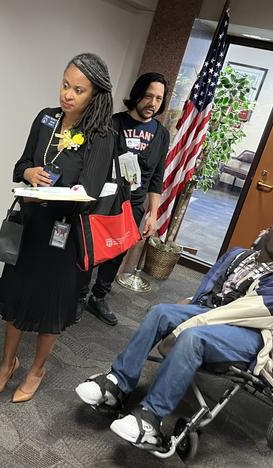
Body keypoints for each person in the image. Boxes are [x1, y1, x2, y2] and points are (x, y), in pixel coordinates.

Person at [76, 215, 273, 446]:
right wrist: (189, 304)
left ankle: (150, 418)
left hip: (248, 333)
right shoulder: (239, 256)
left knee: (192, 337)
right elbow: (211, 291)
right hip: (212, 313)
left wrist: (186, 324)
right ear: (269, 229)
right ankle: (117, 383)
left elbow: (235, 314)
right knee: (161, 312)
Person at [0, 53, 116, 403]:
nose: (67, 95)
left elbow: (89, 193)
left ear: (95, 95)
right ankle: (6, 364)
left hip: (65, 234)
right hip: (30, 226)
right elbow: (21, 164)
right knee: (15, 296)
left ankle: (36, 370)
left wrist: (44, 196)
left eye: (78, 89)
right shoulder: (45, 119)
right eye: (65, 84)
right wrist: (29, 174)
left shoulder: (101, 135)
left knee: (50, 307)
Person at [79, 72, 171, 326]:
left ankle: (98, 297)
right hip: (105, 200)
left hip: (133, 205)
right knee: (92, 247)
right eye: (149, 96)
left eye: (159, 98)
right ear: (137, 95)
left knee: (117, 250)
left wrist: (153, 214)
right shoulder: (114, 124)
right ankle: (78, 296)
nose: (153, 103)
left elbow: (156, 177)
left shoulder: (161, 135)